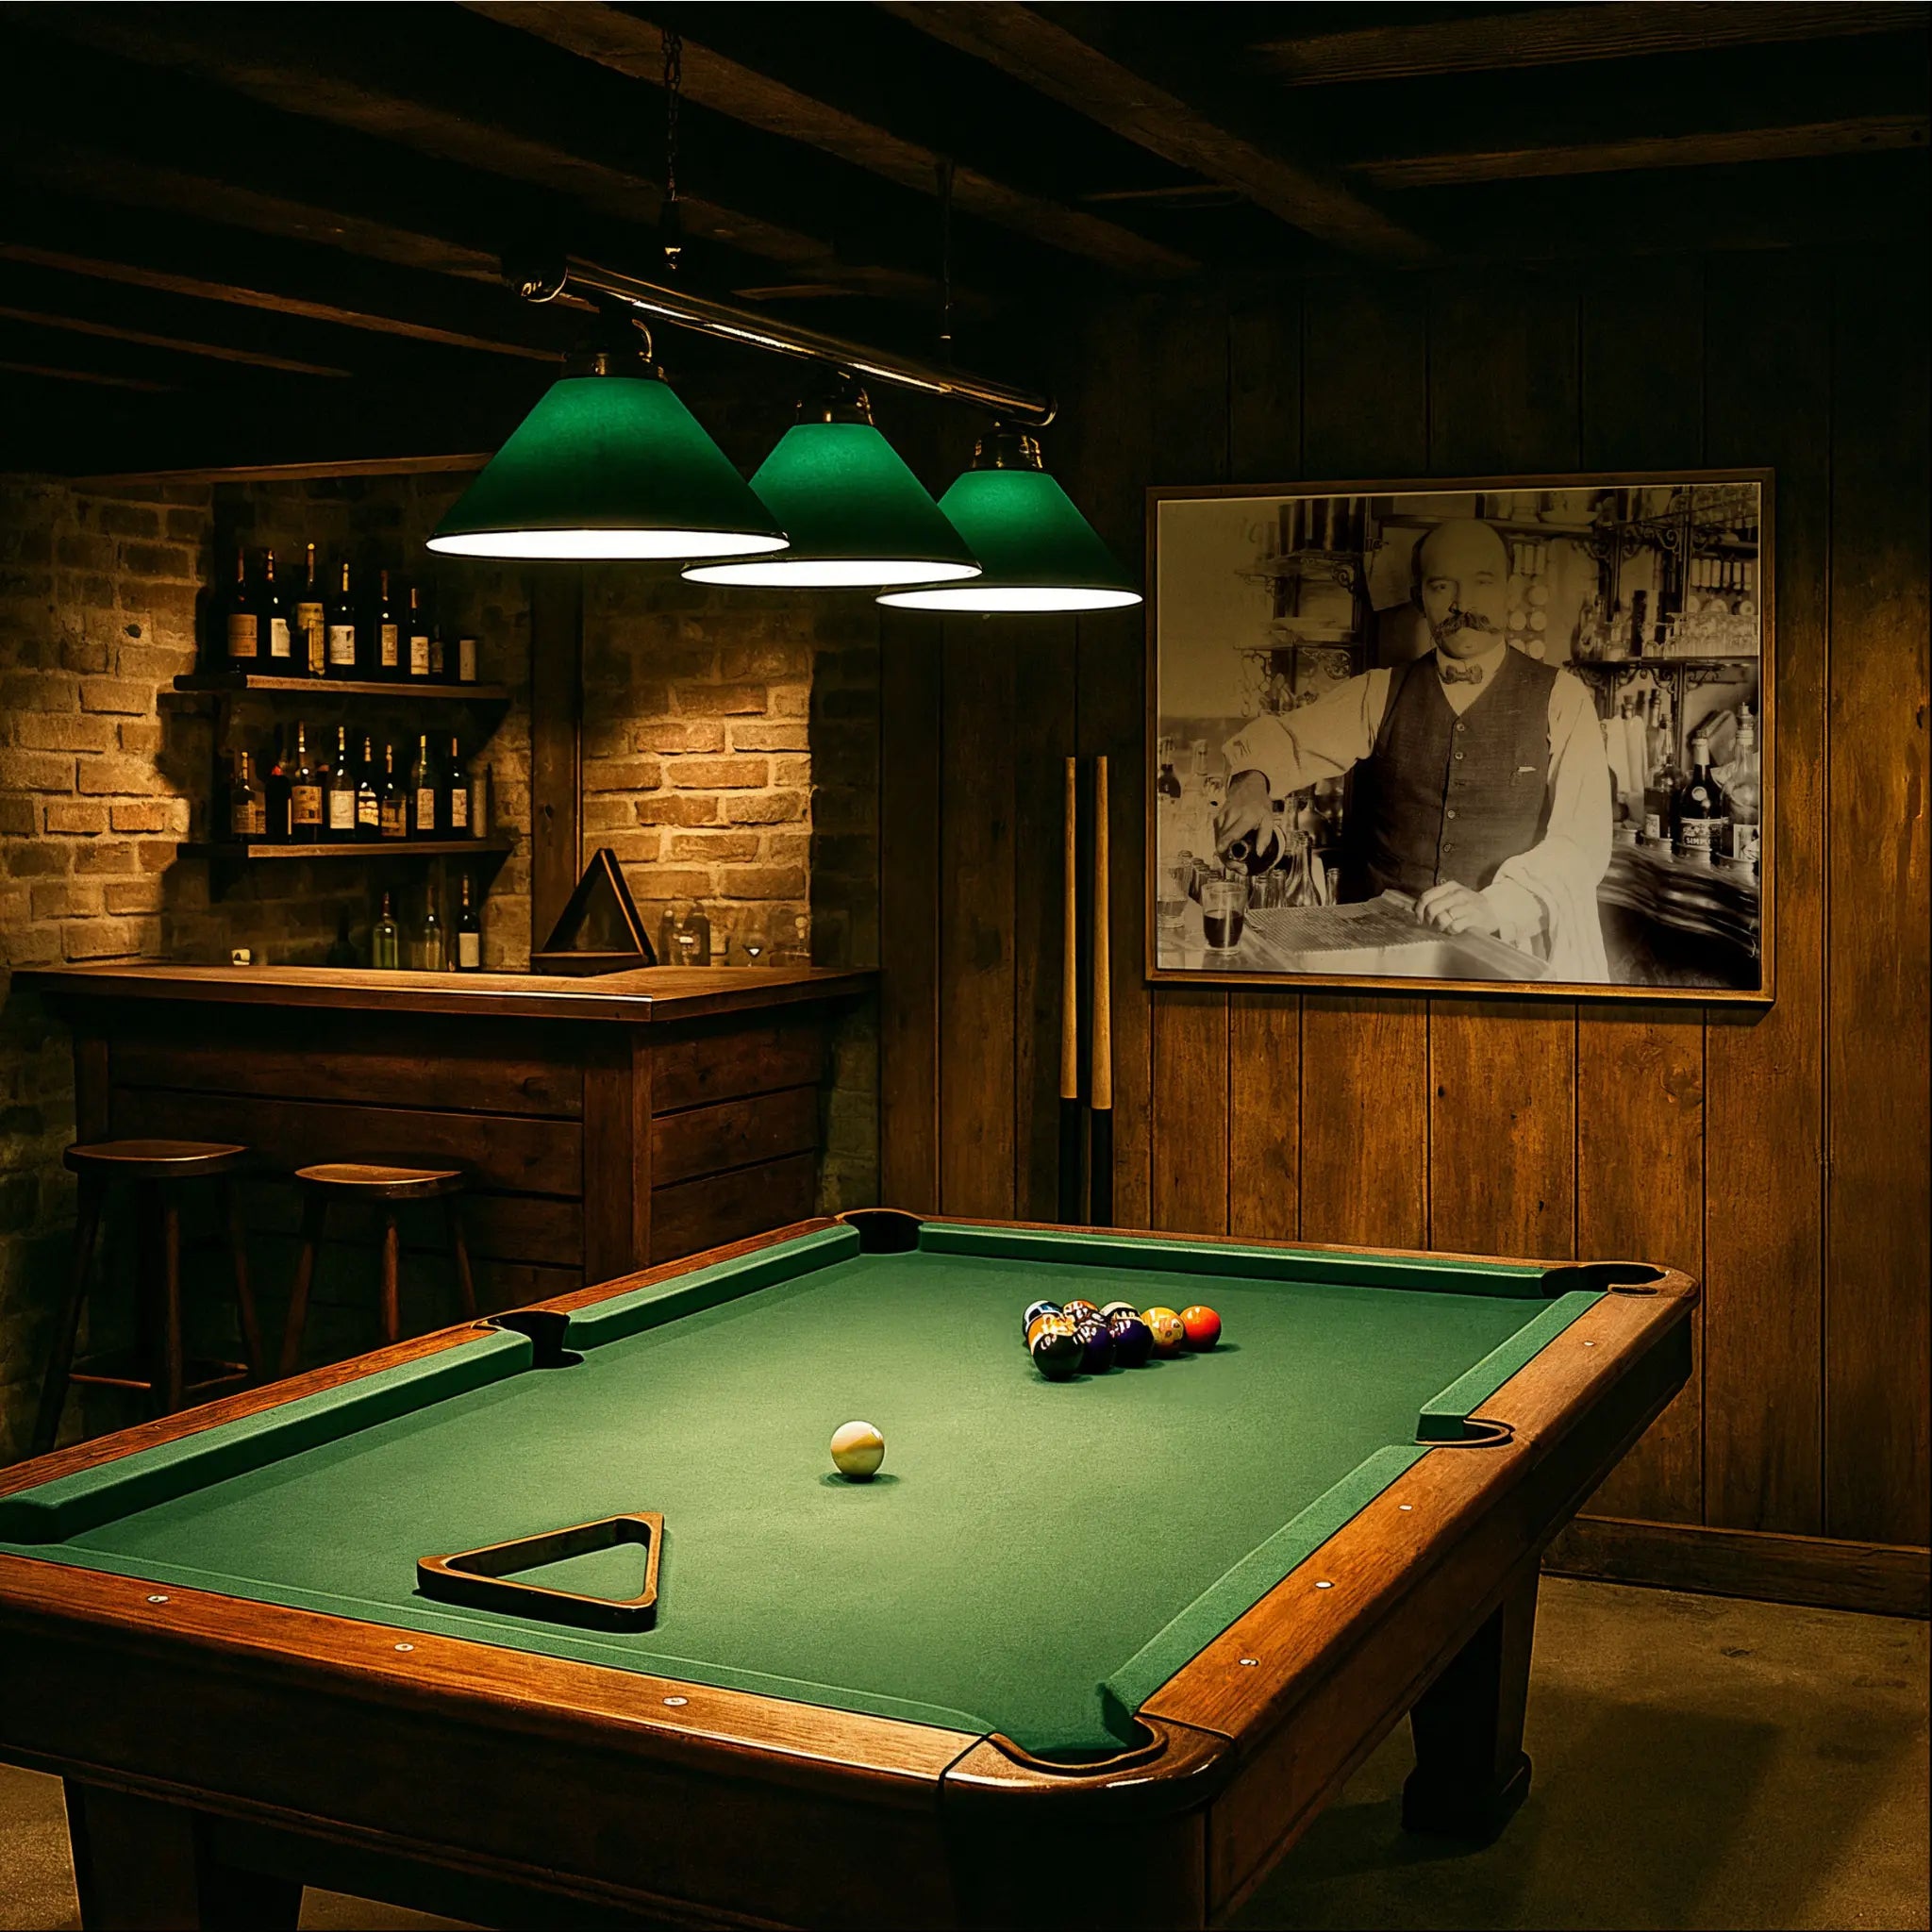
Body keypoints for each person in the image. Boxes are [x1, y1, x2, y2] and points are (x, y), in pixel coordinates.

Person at [1213, 517, 1611, 980]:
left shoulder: (1562, 697)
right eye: (1443, 586)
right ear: (1420, 596)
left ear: (1508, 591)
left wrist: (1493, 904)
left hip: (1502, 948)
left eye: (1482, 583)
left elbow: (1581, 844)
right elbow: (1285, 738)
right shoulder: (1379, 692)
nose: (1463, 604)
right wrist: (1251, 781)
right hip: (1384, 949)